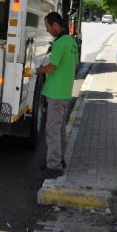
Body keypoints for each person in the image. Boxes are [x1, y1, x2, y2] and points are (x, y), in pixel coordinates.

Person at [35, 11, 78, 180]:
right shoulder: (72, 42)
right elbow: (74, 66)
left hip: (56, 92)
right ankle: (59, 160)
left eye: (47, 27)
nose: (47, 30)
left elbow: (52, 67)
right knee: (59, 129)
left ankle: (54, 166)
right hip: (64, 91)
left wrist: (35, 71)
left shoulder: (60, 43)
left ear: (56, 25)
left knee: (52, 129)